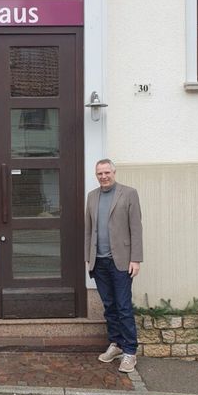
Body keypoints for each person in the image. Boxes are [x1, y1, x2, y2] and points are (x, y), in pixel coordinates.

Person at [85, 159, 143, 373]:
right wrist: (88, 257)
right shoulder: (92, 196)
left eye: (107, 172)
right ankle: (116, 344)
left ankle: (130, 351)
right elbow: (88, 230)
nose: (103, 176)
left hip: (121, 261)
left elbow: (136, 228)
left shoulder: (128, 194)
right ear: (96, 174)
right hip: (99, 261)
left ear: (114, 173)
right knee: (109, 306)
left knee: (123, 306)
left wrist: (135, 258)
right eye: (100, 173)